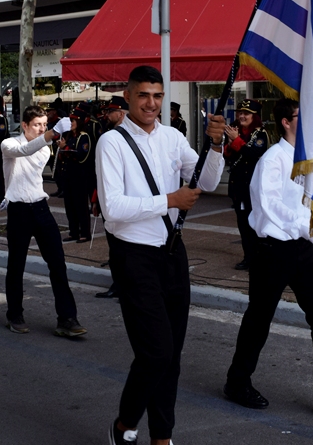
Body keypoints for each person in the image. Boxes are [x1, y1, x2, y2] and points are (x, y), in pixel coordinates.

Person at [96, 65, 226, 445]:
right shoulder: (112, 143)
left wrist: (214, 145)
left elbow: (206, 181)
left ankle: (162, 437)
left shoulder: (172, 137)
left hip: (172, 253)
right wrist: (169, 200)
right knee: (156, 352)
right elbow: (113, 208)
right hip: (133, 256)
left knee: (173, 355)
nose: (151, 103)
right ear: (128, 96)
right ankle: (124, 423)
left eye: (157, 95)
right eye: (143, 95)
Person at [224, 98, 313, 419]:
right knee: (259, 318)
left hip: (301, 248)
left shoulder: (309, 158)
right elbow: (267, 204)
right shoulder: (273, 159)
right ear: (286, 121)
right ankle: (237, 381)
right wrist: (306, 224)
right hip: (272, 249)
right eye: (303, 116)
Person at [1, 105, 86, 337]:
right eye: (37, 125)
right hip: (18, 210)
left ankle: (67, 318)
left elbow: (36, 149)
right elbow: (24, 150)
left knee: (58, 262)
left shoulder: (45, 149)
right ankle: (14, 314)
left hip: (40, 208)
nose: (42, 128)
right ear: (25, 125)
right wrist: (51, 136)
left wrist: (50, 139)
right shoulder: (8, 144)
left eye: (45, 124)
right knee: (16, 265)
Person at [224, 99, 268, 271]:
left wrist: (236, 141)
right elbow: (228, 157)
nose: (242, 116)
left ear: (254, 116)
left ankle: (258, 257)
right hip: (238, 186)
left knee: (254, 224)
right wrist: (230, 142)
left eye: (246, 113)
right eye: (240, 112)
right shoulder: (236, 131)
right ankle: (248, 257)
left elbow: (253, 154)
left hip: (252, 186)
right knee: (243, 224)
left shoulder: (260, 134)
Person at [95, 96, 128, 300]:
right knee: (115, 246)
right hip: (109, 195)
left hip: (124, 199)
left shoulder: (125, 137)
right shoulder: (110, 135)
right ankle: (118, 283)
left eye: (111, 111)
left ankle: (124, 285)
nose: (107, 115)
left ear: (122, 113)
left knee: (123, 246)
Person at [60, 103, 96, 242]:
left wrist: (66, 148)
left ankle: (85, 233)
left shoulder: (84, 136)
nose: (71, 123)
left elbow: (82, 155)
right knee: (69, 205)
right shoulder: (69, 136)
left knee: (80, 205)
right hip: (68, 175)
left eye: (73, 121)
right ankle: (73, 231)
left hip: (79, 176)